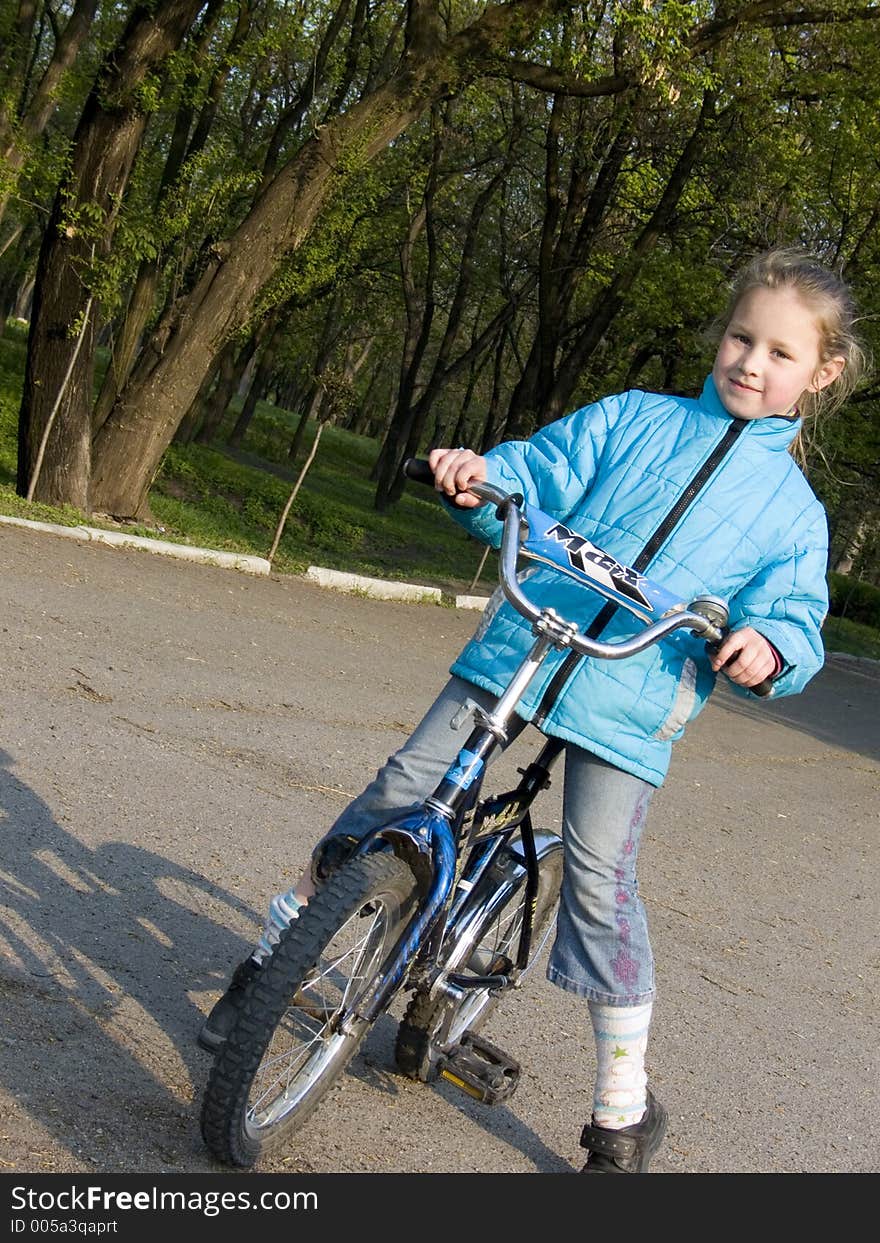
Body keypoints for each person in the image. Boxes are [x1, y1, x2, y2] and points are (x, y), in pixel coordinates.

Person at [199, 247, 867, 1172]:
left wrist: (770, 647)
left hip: (632, 698)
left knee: (598, 877)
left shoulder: (794, 514)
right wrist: (482, 479)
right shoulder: (636, 417)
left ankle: (623, 1107)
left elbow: (793, 615)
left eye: (781, 354)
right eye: (740, 336)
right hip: (526, 642)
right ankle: (273, 964)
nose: (751, 362)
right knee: (402, 788)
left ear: (822, 373)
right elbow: (537, 473)